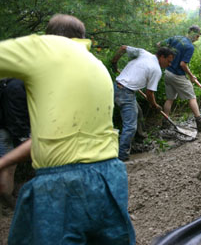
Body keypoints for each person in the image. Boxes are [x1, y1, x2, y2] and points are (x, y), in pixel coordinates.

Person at [0, 14, 135, 244]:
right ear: (82, 38)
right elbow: (53, 140)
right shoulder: (95, 64)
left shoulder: (45, 49)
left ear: (48, 36)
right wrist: (3, 163)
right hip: (110, 177)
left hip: (63, 186)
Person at [111, 46, 175, 161]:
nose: (169, 64)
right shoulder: (156, 69)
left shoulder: (144, 53)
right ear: (162, 57)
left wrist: (114, 61)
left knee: (139, 113)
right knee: (130, 126)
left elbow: (123, 48)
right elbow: (150, 93)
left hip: (117, 87)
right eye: (168, 61)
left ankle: (139, 141)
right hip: (125, 92)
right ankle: (122, 155)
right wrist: (155, 105)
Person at [158, 25, 201, 132]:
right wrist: (191, 76)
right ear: (194, 35)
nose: (197, 39)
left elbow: (159, 44)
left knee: (170, 99)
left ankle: (165, 123)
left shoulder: (176, 38)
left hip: (167, 72)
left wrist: (165, 58)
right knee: (191, 96)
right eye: (197, 36)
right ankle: (200, 122)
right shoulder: (189, 47)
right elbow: (183, 64)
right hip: (177, 75)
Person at [0, 78, 30, 209]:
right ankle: (7, 203)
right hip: (6, 131)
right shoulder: (15, 86)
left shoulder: (7, 83)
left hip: (5, 128)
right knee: (8, 168)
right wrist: (23, 136)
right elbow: (15, 114)